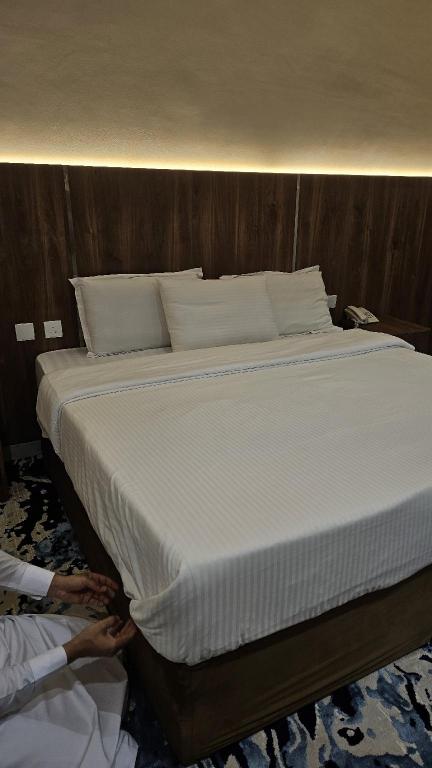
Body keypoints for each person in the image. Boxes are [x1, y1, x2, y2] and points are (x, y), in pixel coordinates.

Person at [0, 548, 139, 767]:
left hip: (11, 643)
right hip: (12, 713)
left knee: (103, 667)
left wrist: (56, 585)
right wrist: (73, 650)